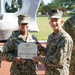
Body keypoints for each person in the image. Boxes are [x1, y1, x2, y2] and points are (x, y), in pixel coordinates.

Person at [33, 10, 73, 75]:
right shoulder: (50, 36)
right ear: (49, 23)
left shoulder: (65, 38)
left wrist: (40, 59)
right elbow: (49, 53)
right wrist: (41, 48)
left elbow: (57, 60)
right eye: (52, 21)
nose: (54, 23)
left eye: (56, 20)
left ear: (61, 22)